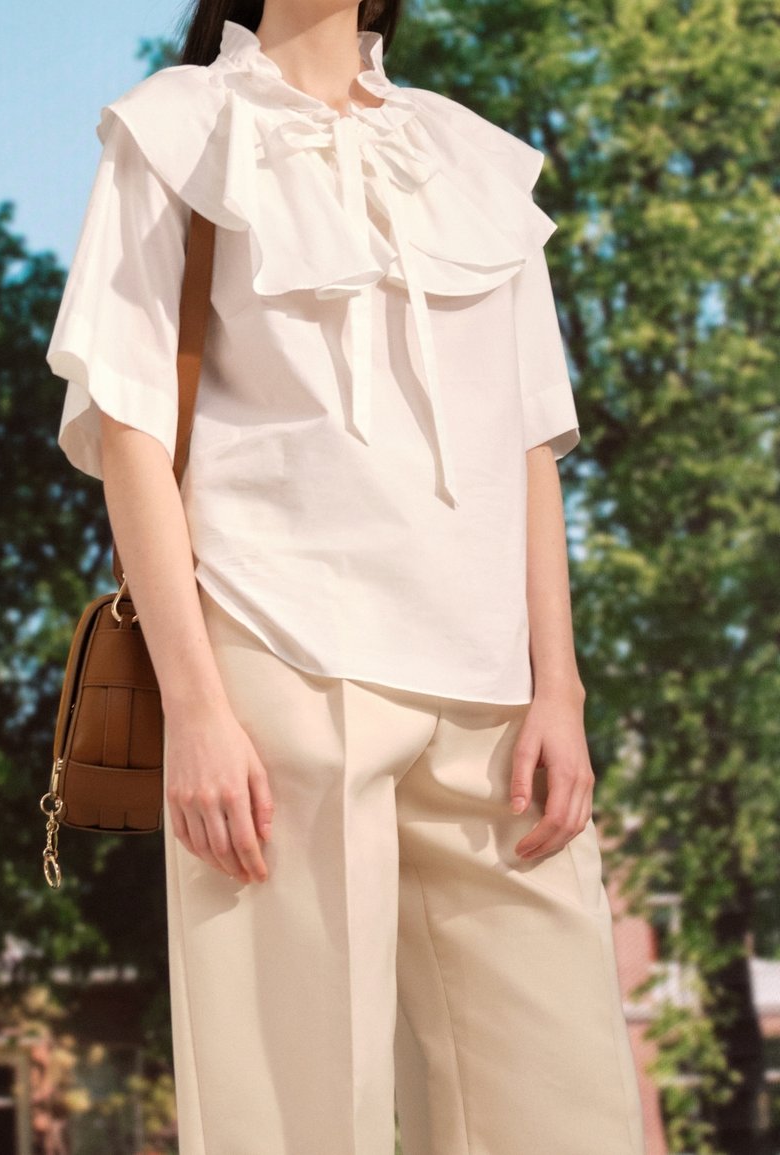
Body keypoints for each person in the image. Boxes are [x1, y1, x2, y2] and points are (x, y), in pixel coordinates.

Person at [47, 2, 648, 1152]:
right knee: (295, 1121)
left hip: (491, 701)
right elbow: (128, 434)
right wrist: (198, 711)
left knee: (565, 1111)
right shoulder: (175, 129)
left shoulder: (469, 152)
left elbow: (526, 448)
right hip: (279, 675)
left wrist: (557, 689)